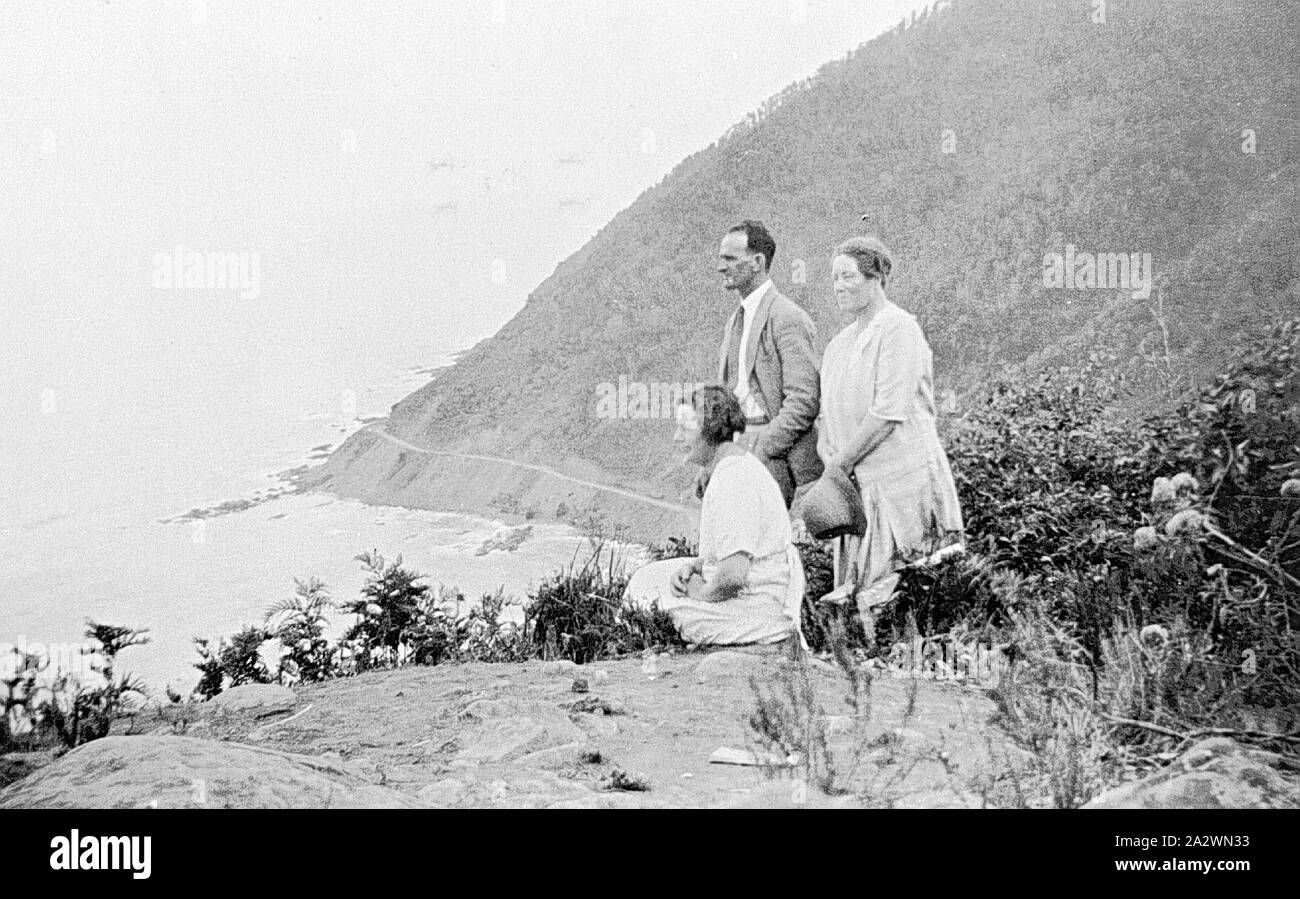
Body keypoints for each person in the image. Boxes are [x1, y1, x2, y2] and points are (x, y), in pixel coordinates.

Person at [816, 236, 964, 610]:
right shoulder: (839, 345)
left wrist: (841, 462)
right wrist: (830, 454)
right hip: (857, 485)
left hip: (902, 481)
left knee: (906, 585)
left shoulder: (899, 329)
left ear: (876, 277)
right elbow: (827, 412)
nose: (839, 285)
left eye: (848, 276)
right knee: (861, 593)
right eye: (834, 277)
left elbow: (888, 413)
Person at [626, 385, 805, 648]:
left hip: (757, 612)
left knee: (642, 604)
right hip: (761, 595)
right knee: (646, 578)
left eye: (685, 428)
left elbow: (733, 576)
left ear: (710, 429)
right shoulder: (735, 464)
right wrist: (695, 568)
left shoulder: (731, 478)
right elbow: (734, 550)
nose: (677, 438)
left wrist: (700, 593)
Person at [714, 220, 822, 508]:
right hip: (736, 449)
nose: (720, 267)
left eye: (730, 259)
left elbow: (804, 401)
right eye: (720, 258)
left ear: (758, 262)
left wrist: (760, 447)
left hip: (773, 457)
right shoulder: (735, 320)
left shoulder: (787, 318)